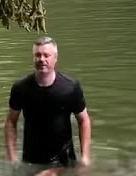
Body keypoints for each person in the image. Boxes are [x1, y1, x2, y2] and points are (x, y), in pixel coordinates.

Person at [5, 36, 92, 167]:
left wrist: (85, 157)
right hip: (31, 160)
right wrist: (12, 158)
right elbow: (11, 122)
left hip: (65, 159)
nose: (42, 59)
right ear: (33, 58)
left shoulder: (70, 87)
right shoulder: (21, 88)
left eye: (46, 55)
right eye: (38, 55)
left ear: (55, 58)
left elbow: (84, 120)